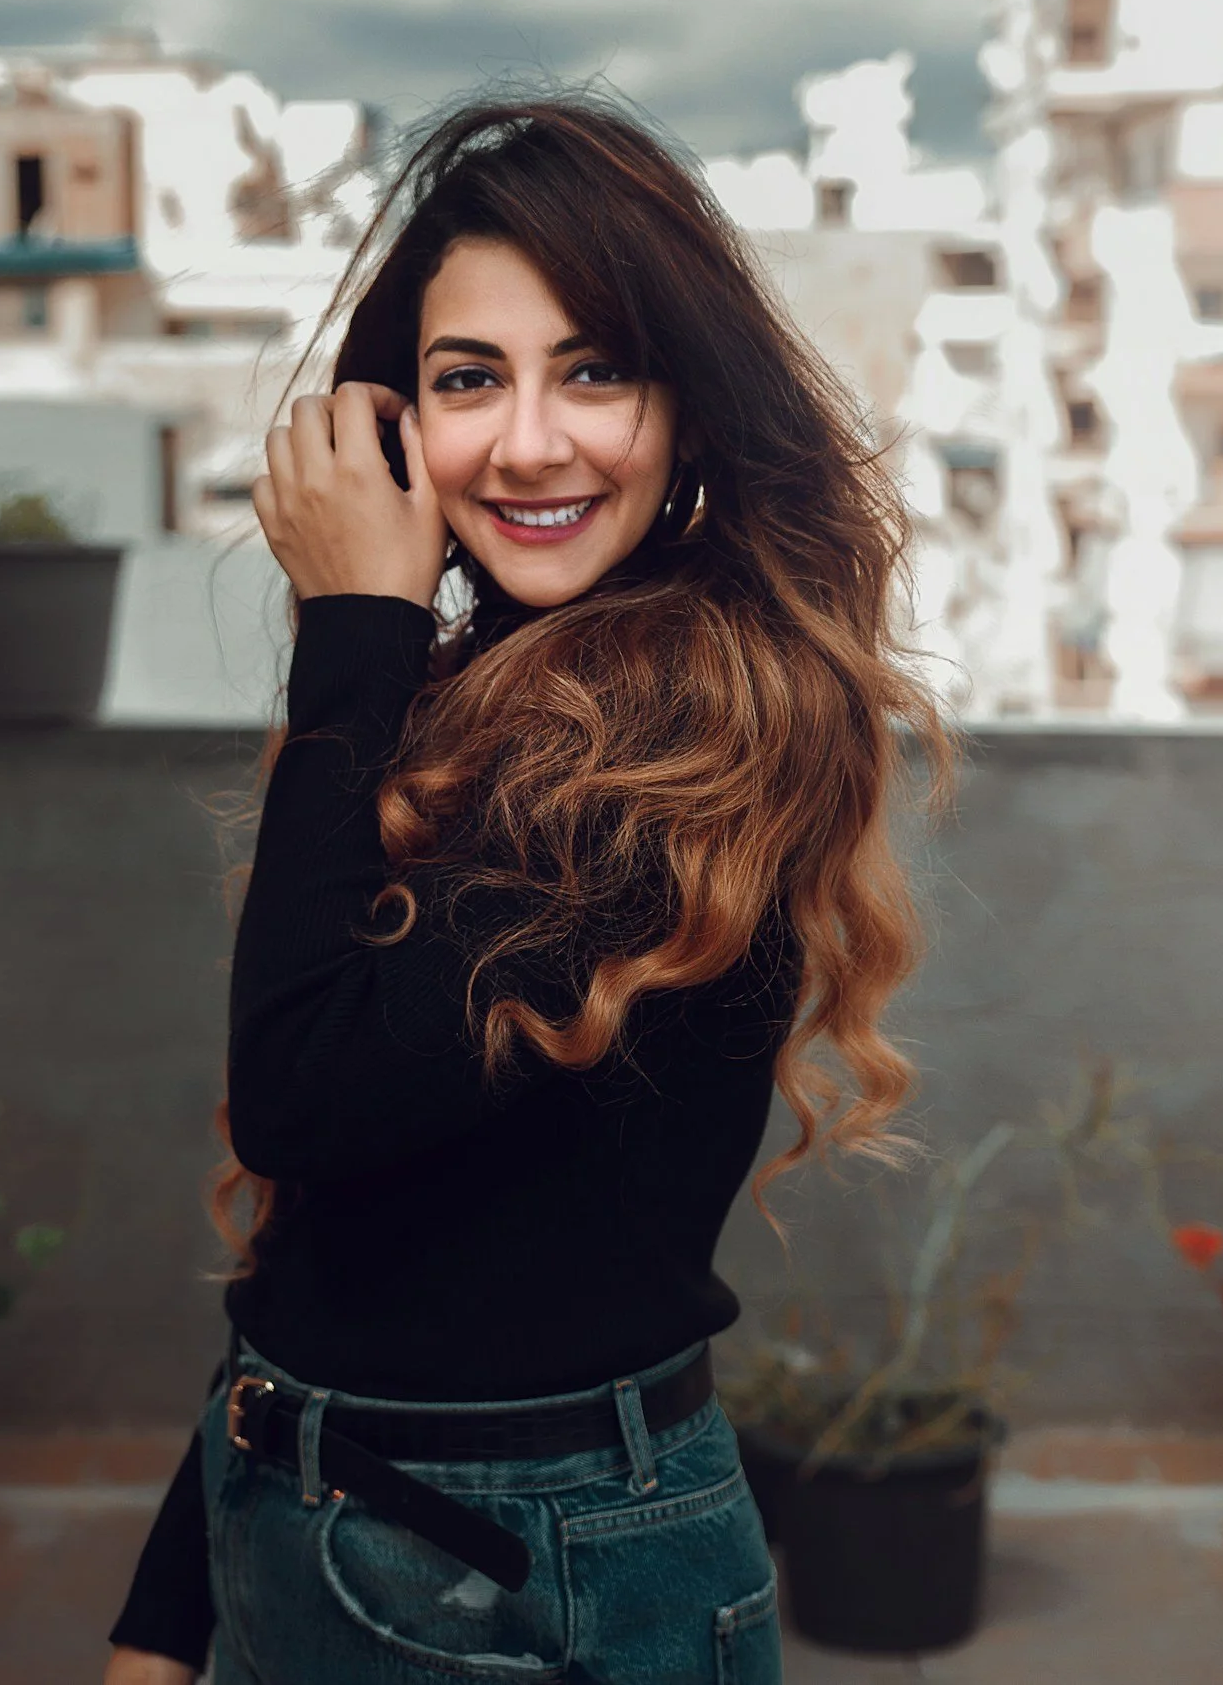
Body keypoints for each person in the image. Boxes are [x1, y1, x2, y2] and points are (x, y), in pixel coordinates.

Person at [104, 95, 952, 1685]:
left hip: (535, 1568)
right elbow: (345, 1236)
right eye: (468, 378)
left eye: (597, 369)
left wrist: (352, 624)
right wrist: (171, 1607)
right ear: (387, 425)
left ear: (687, 405)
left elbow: (297, 1094)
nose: (532, 442)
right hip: (313, 1504)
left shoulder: (711, 721)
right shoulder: (469, 692)